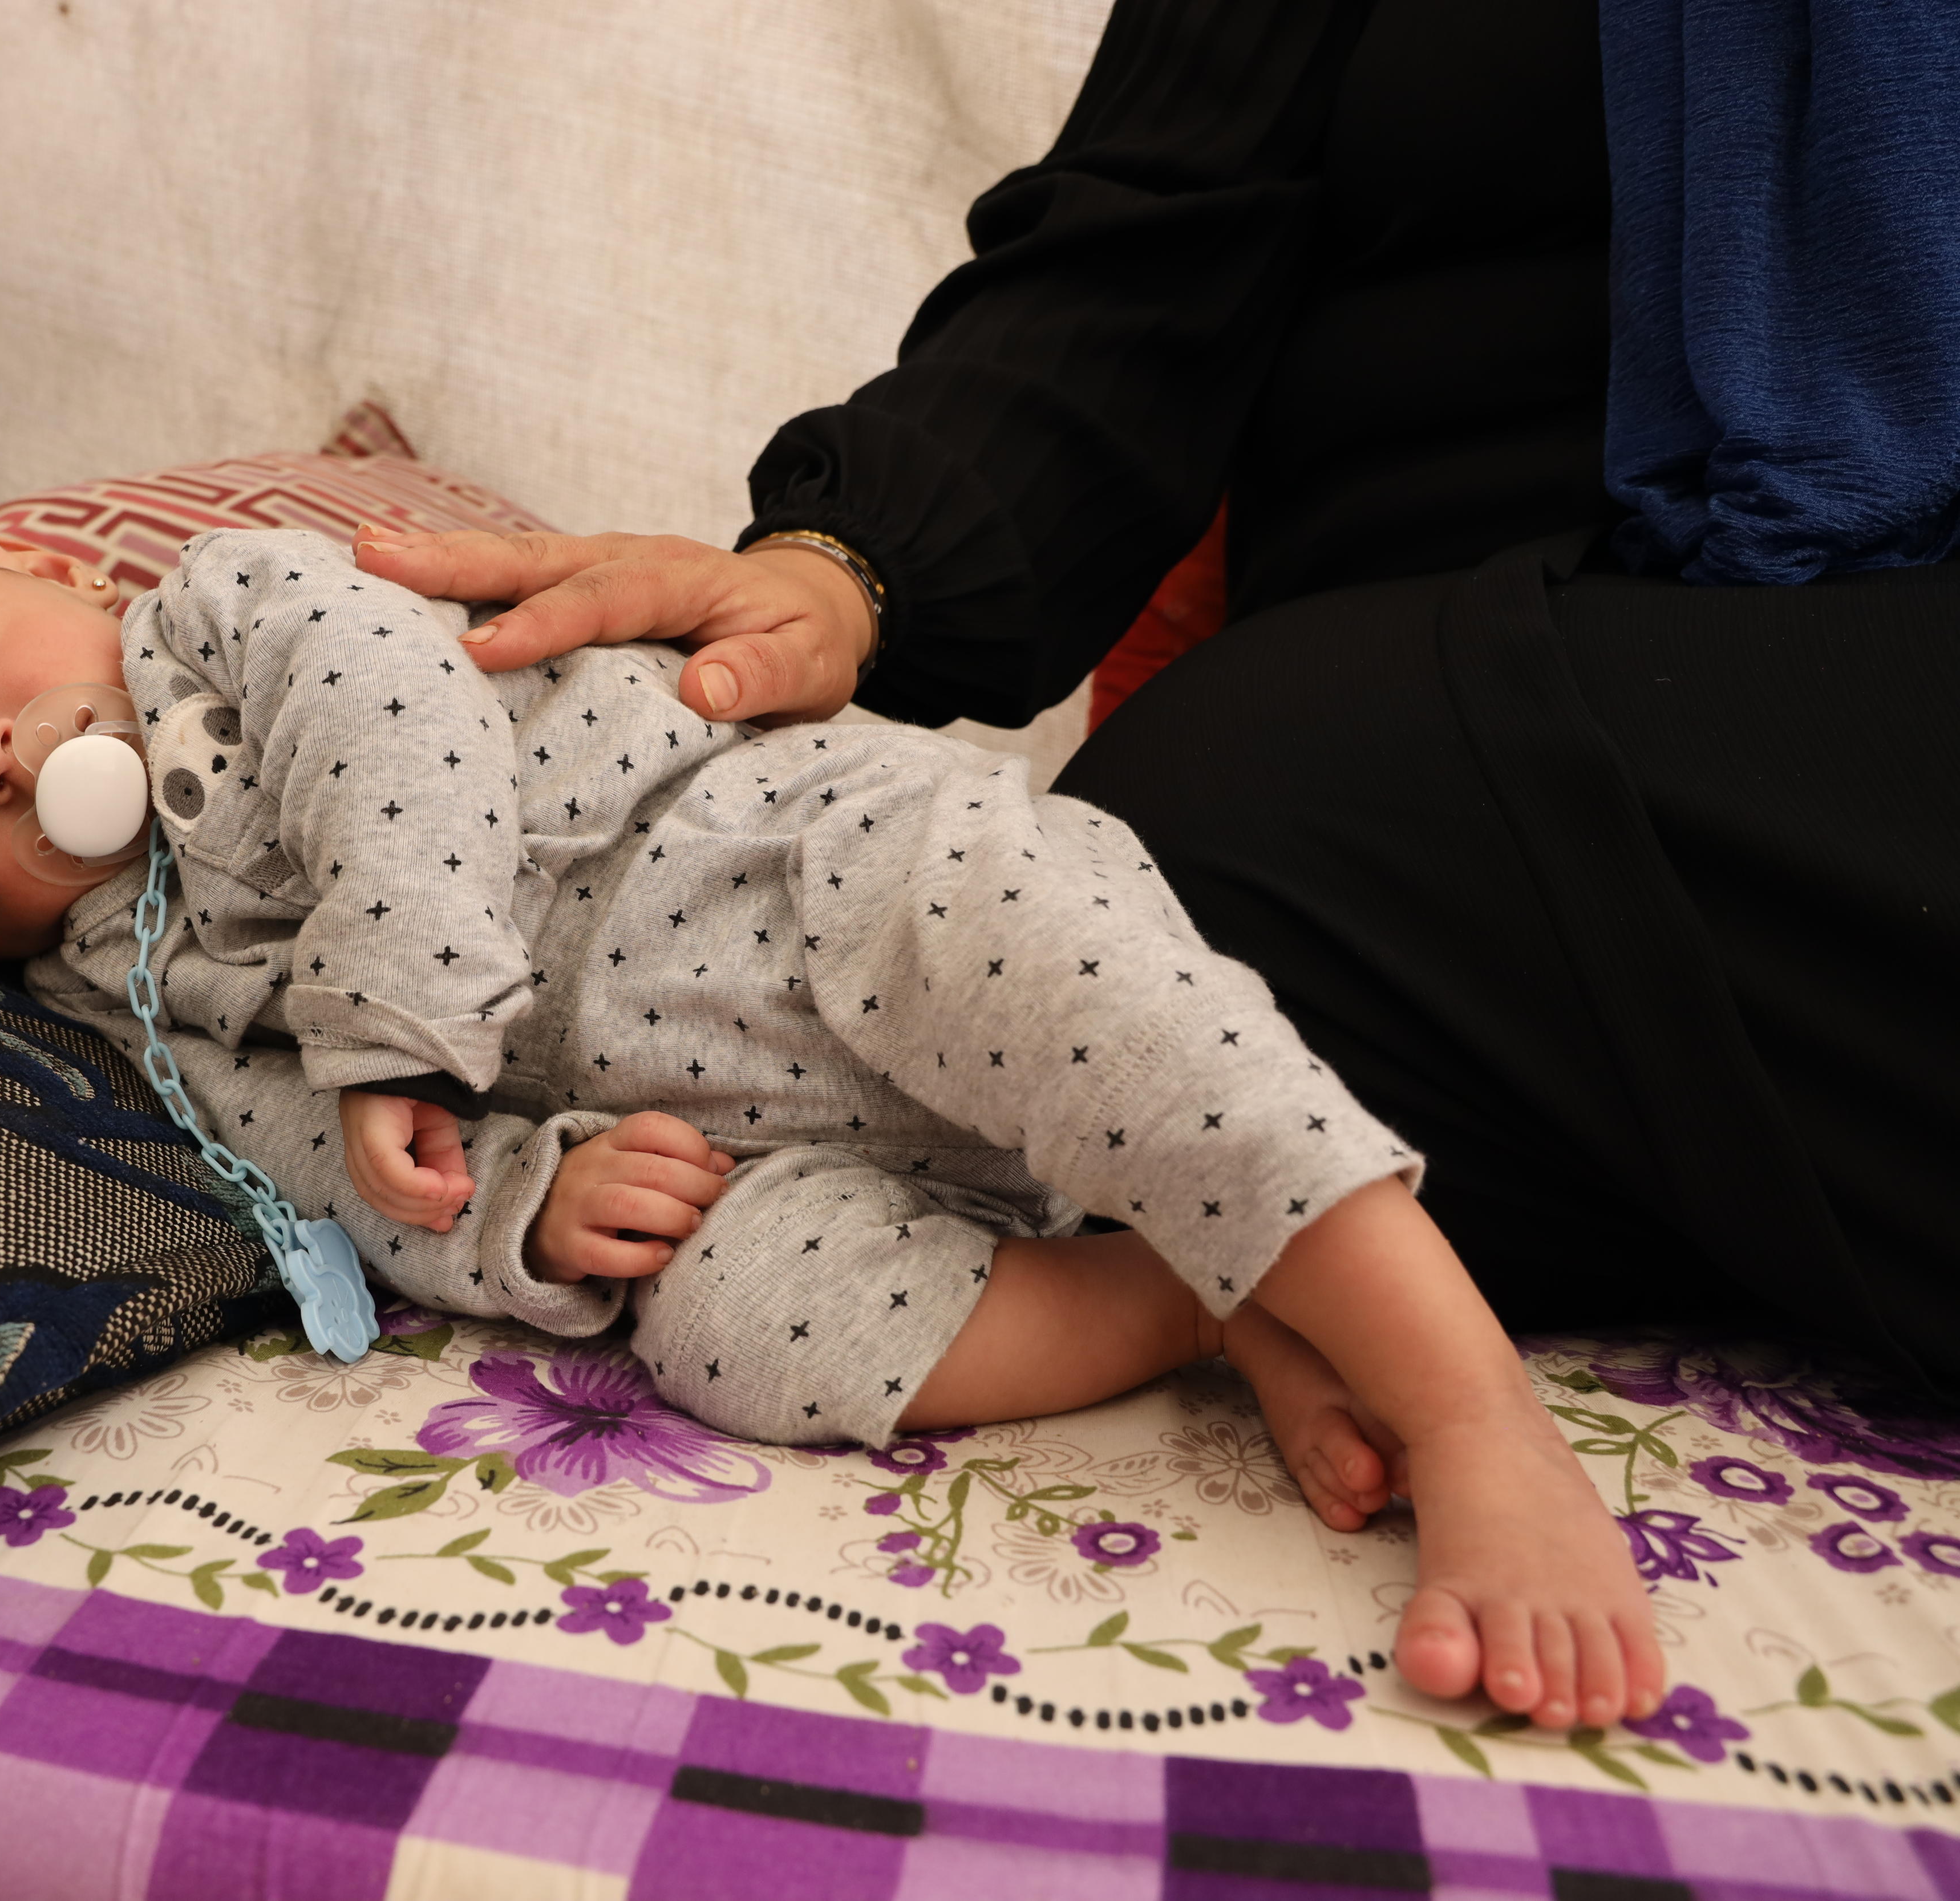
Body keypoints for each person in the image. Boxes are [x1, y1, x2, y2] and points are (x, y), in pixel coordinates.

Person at [353, 0, 1960, 1546]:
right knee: (1138, 892)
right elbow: (1145, 252)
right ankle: (1225, 1280)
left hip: (1869, 720)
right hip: (1405, 837)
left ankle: (1445, 1364)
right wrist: (844, 567)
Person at [0, 520, 1664, 1735]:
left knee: (1032, 942)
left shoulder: (232, 611)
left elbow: (400, 727)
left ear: (23, 583)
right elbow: (298, 1167)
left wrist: (393, 1021)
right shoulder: (114, 1000)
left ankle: (1474, 1406)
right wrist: (523, 1212)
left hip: (814, 875)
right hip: (761, 1132)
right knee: (732, 1331)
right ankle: (1191, 1295)